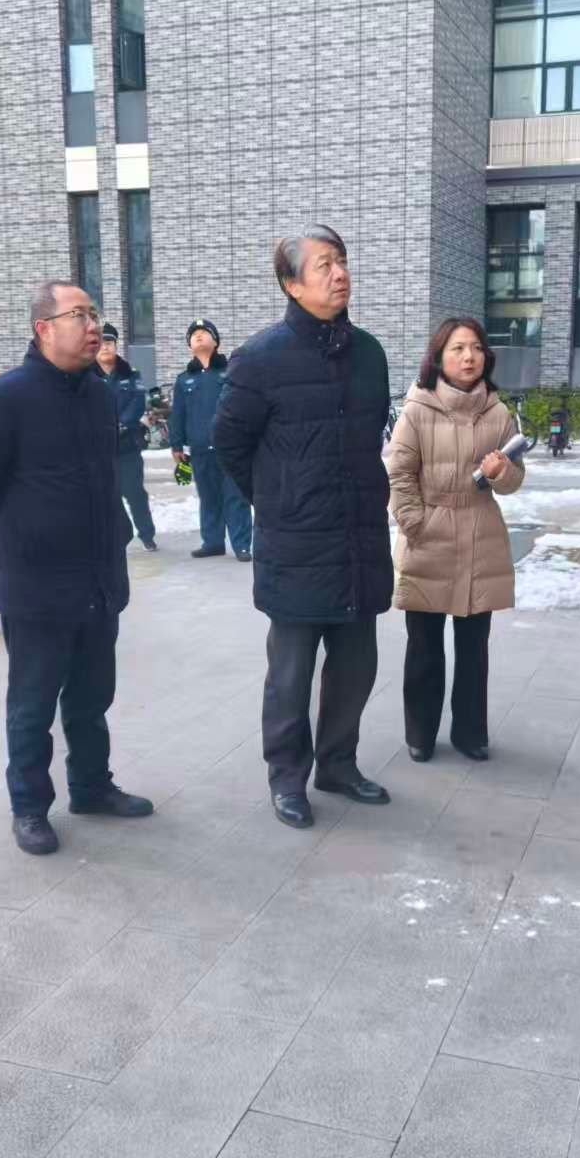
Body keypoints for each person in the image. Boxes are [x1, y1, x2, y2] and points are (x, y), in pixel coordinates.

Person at [0, 283, 154, 856]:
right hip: (37, 587)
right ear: (43, 328)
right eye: (79, 315)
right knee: (33, 704)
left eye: (95, 315)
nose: (94, 327)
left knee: (92, 697)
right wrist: (11, 554)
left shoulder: (98, 394)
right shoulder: (3, 399)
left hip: (97, 579)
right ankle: (29, 807)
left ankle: (91, 787)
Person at [213, 225, 393, 829]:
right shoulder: (260, 358)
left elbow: (369, 439)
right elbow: (229, 443)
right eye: (323, 265)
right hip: (296, 546)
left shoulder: (369, 353)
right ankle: (287, 778)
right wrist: (278, 501)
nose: (339, 274)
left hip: (358, 539)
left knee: (355, 667)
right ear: (291, 284)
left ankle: (338, 765)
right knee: (290, 674)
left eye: (342, 261)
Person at [386, 319, 525, 763]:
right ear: (439, 357)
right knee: (424, 646)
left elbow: (513, 481)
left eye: (477, 348)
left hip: (481, 535)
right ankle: (420, 733)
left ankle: (470, 733)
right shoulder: (417, 409)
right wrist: (416, 525)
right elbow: (399, 473)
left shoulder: (498, 412)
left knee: (473, 648)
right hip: (429, 534)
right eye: (458, 348)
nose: (469, 357)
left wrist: (503, 472)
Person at [171, 319, 251, 561]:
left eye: (204, 332)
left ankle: (242, 545)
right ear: (189, 346)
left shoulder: (231, 372)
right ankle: (213, 542)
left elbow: (244, 407)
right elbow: (178, 414)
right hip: (199, 449)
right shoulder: (184, 379)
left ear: (215, 342)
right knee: (208, 497)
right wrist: (176, 444)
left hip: (230, 448)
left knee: (235, 497)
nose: (199, 336)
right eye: (193, 334)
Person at [96, 322, 157, 551]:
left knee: (135, 494)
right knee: (104, 496)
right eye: (101, 343)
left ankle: (147, 535)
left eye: (109, 342)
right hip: (98, 449)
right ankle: (112, 538)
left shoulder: (131, 374)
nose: (105, 347)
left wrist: (121, 424)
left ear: (116, 345)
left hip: (127, 446)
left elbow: (138, 402)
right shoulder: (85, 375)